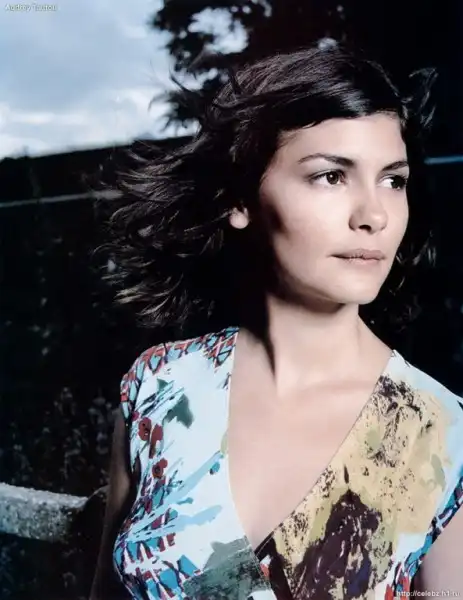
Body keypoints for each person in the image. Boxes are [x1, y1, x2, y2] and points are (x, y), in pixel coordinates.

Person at [90, 44, 463, 599]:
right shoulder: (161, 386)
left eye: (393, 180)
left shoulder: (441, 434)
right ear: (240, 200)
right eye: (331, 176)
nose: (374, 215)